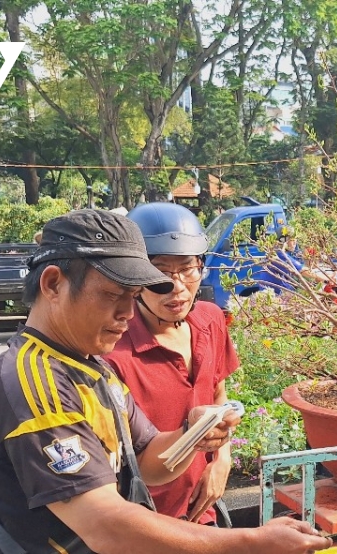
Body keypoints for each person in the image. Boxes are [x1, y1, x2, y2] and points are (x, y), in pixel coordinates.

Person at [0, 209, 331, 554]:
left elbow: (147, 462)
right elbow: (106, 526)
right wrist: (251, 543)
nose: (127, 314)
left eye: (132, 297)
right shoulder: (33, 382)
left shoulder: (89, 365)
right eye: (113, 294)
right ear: (53, 283)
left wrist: (192, 435)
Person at [104, 202, 237, 524]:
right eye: (160, 272)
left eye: (187, 269)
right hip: (143, 521)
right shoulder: (112, 350)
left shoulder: (210, 319)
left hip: (199, 508)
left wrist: (221, 460)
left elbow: (218, 394)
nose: (176, 287)